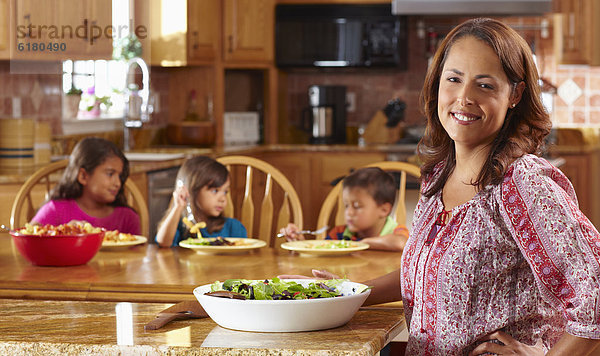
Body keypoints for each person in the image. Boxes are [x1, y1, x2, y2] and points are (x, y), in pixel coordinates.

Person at [282, 18, 600, 355]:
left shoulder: (523, 184)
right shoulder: (438, 177)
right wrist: (346, 292)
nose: (464, 98)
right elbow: (425, 275)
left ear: (515, 95)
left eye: (485, 85)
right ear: (437, 86)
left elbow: (595, 291)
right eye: (454, 79)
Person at [279, 167, 408, 252]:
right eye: (346, 206)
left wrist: (362, 244)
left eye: (357, 206)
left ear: (384, 210)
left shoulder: (397, 231)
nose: (349, 213)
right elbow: (323, 252)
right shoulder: (339, 234)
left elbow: (401, 243)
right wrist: (300, 243)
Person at [31, 137, 141, 235]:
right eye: (110, 174)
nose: (118, 183)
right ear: (83, 176)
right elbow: (30, 237)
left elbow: (138, 255)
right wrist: (63, 232)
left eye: (120, 176)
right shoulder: (55, 210)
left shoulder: (128, 218)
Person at [155, 156, 246, 247]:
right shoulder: (180, 225)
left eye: (225, 192)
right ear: (191, 191)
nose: (222, 199)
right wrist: (177, 207)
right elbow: (163, 243)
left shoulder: (234, 228)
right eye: (215, 191)